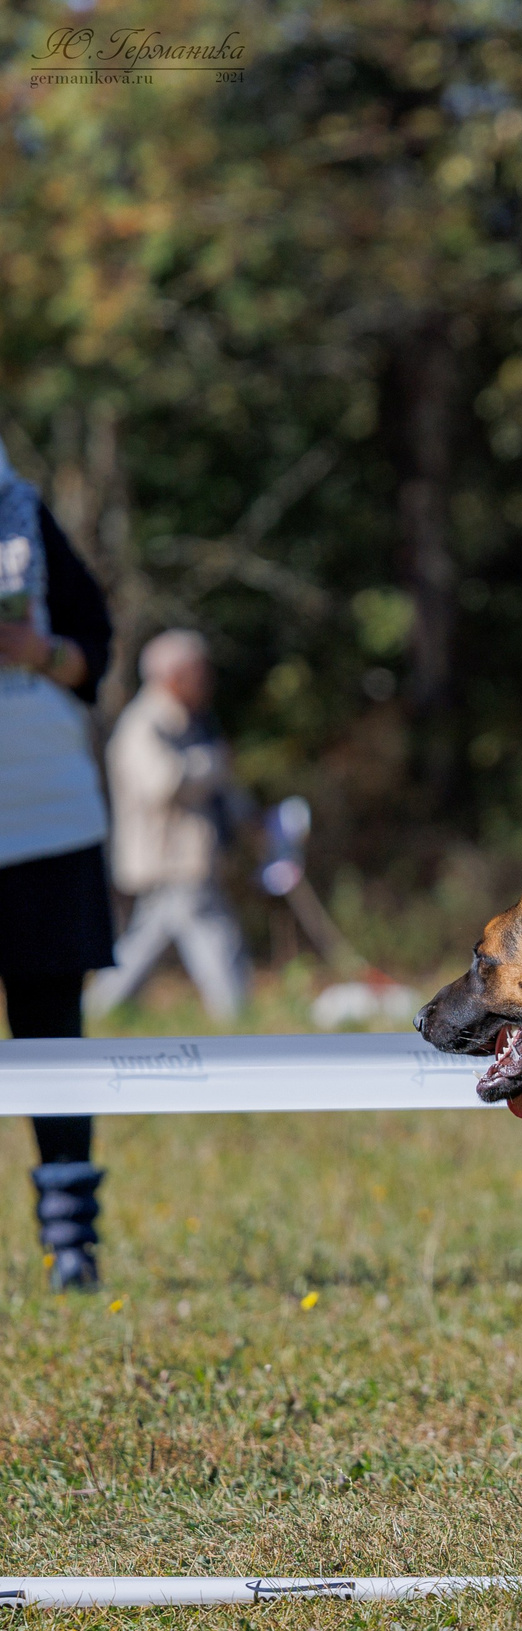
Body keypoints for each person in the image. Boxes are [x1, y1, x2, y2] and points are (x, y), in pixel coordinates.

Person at [0, 439, 117, 1291]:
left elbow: (93, 653)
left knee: (53, 1042)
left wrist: (35, 650)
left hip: (48, 826)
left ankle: (70, 1242)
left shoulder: (23, 514)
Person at [86, 629, 251, 1024]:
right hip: (167, 860)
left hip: (185, 860)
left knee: (142, 947)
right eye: (198, 672)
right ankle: (240, 1021)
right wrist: (210, 763)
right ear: (172, 675)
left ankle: (97, 1013)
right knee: (214, 938)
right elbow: (163, 781)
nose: (206, 681)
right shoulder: (143, 723)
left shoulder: (193, 720)